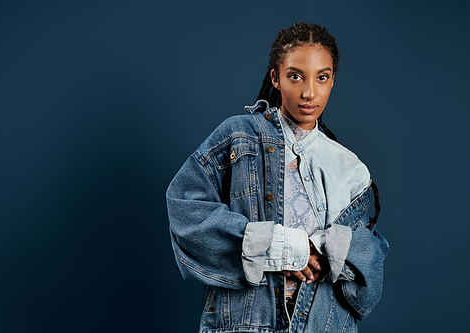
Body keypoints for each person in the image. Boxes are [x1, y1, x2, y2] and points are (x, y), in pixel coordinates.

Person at [166, 22, 389, 333]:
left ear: (333, 81)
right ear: (276, 78)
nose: (309, 92)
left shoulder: (350, 168)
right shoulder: (239, 136)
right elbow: (185, 212)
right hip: (245, 324)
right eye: (295, 76)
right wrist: (280, 248)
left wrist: (327, 249)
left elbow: (368, 286)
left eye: (321, 77)